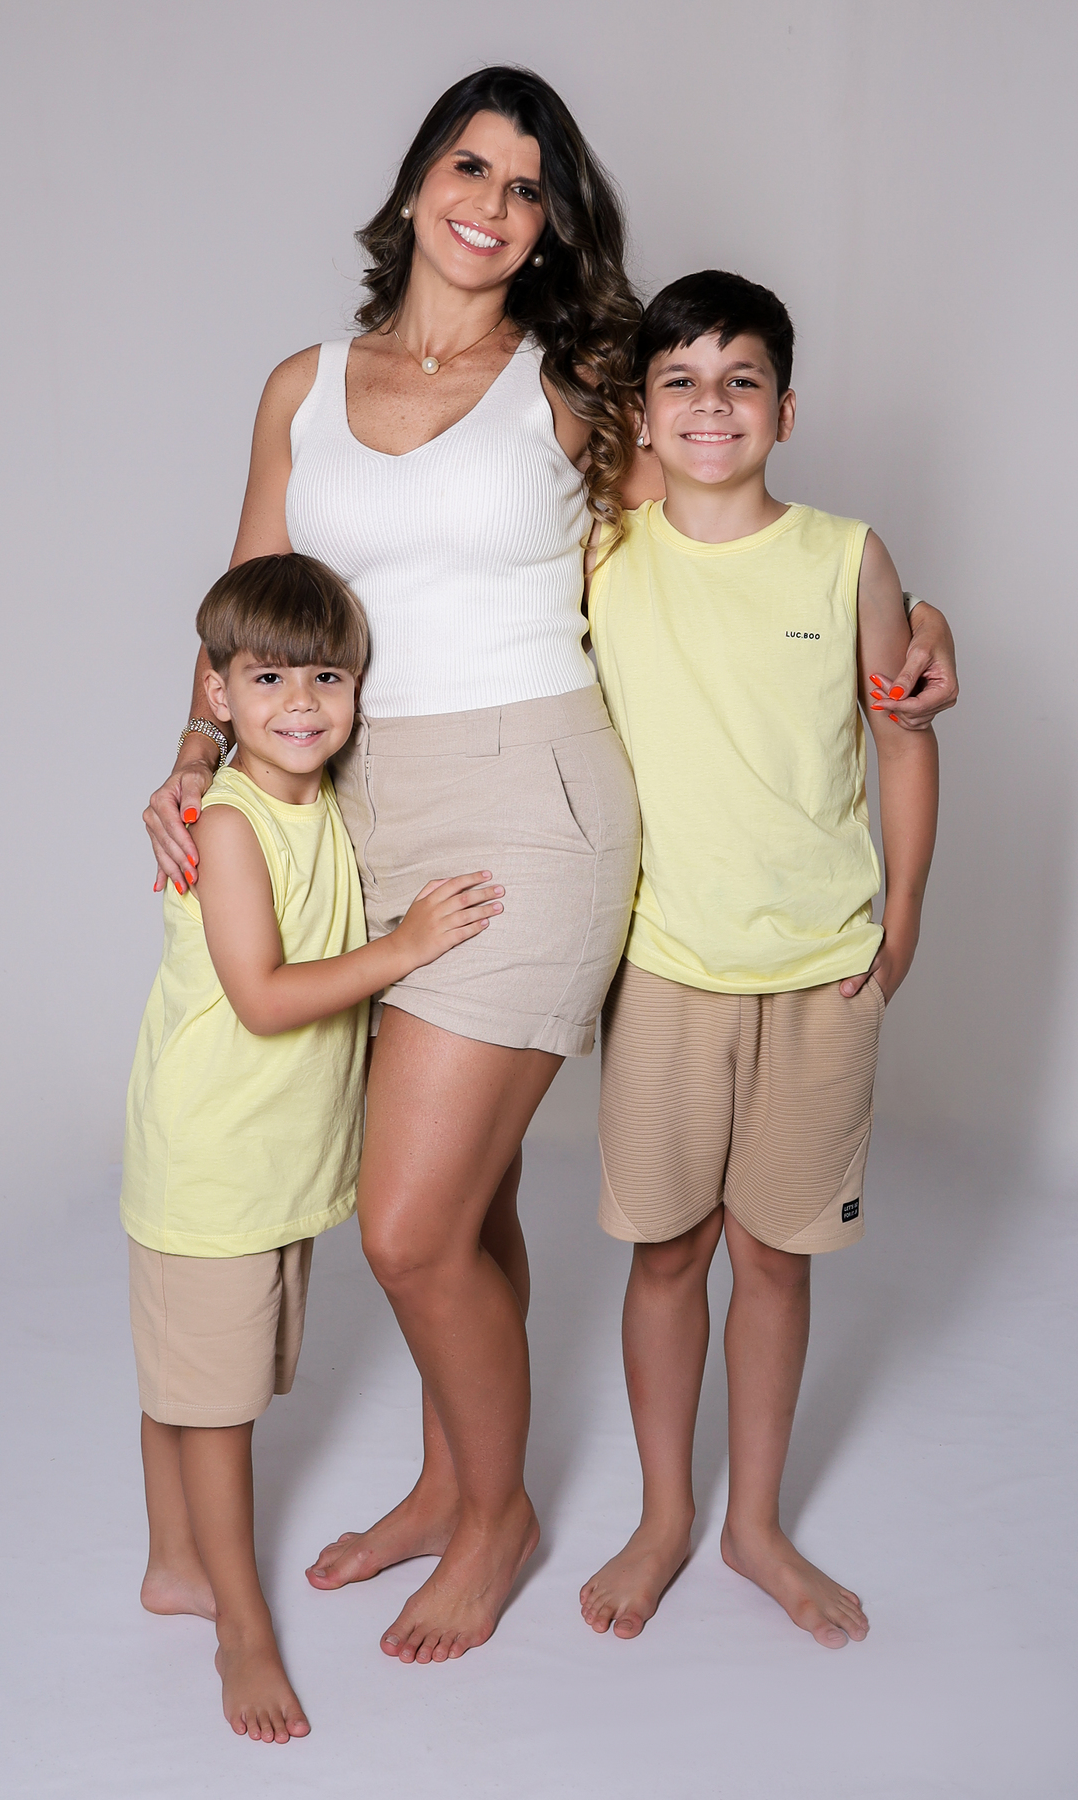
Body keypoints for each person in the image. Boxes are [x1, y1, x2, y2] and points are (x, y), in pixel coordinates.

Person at [142, 69, 960, 1666]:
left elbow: (734, 516)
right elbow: (250, 596)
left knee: (405, 1223)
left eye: (528, 188)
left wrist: (917, 618)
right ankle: (450, 1480)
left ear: (548, 227)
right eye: (472, 166)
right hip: (349, 812)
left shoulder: (573, 383)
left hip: (533, 809)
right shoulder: (303, 385)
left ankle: (498, 1513)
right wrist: (192, 754)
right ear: (417, 182)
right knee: (477, 1197)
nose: (494, 205)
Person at [580, 269, 940, 1649]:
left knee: (774, 1260)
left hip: (819, 973)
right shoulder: (605, 546)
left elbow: (904, 735)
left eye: (742, 381)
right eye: (679, 381)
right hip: (665, 967)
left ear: (785, 410)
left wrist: (903, 921)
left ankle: (757, 1524)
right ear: (641, 411)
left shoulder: (849, 557)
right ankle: (666, 1514)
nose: (711, 406)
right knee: (667, 1253)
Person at [122, 552, 504, 1740]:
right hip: (213, 1161)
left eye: (326, 678)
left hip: (271, 1167)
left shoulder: (318, 801)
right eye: (269, 677)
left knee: (196, 1381)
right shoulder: (231, 825)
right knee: (219, 1408)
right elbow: (265, 996)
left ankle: (174, 1563)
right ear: (217, 693)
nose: (301, 702)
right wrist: (408, 948)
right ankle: (239, 1626)